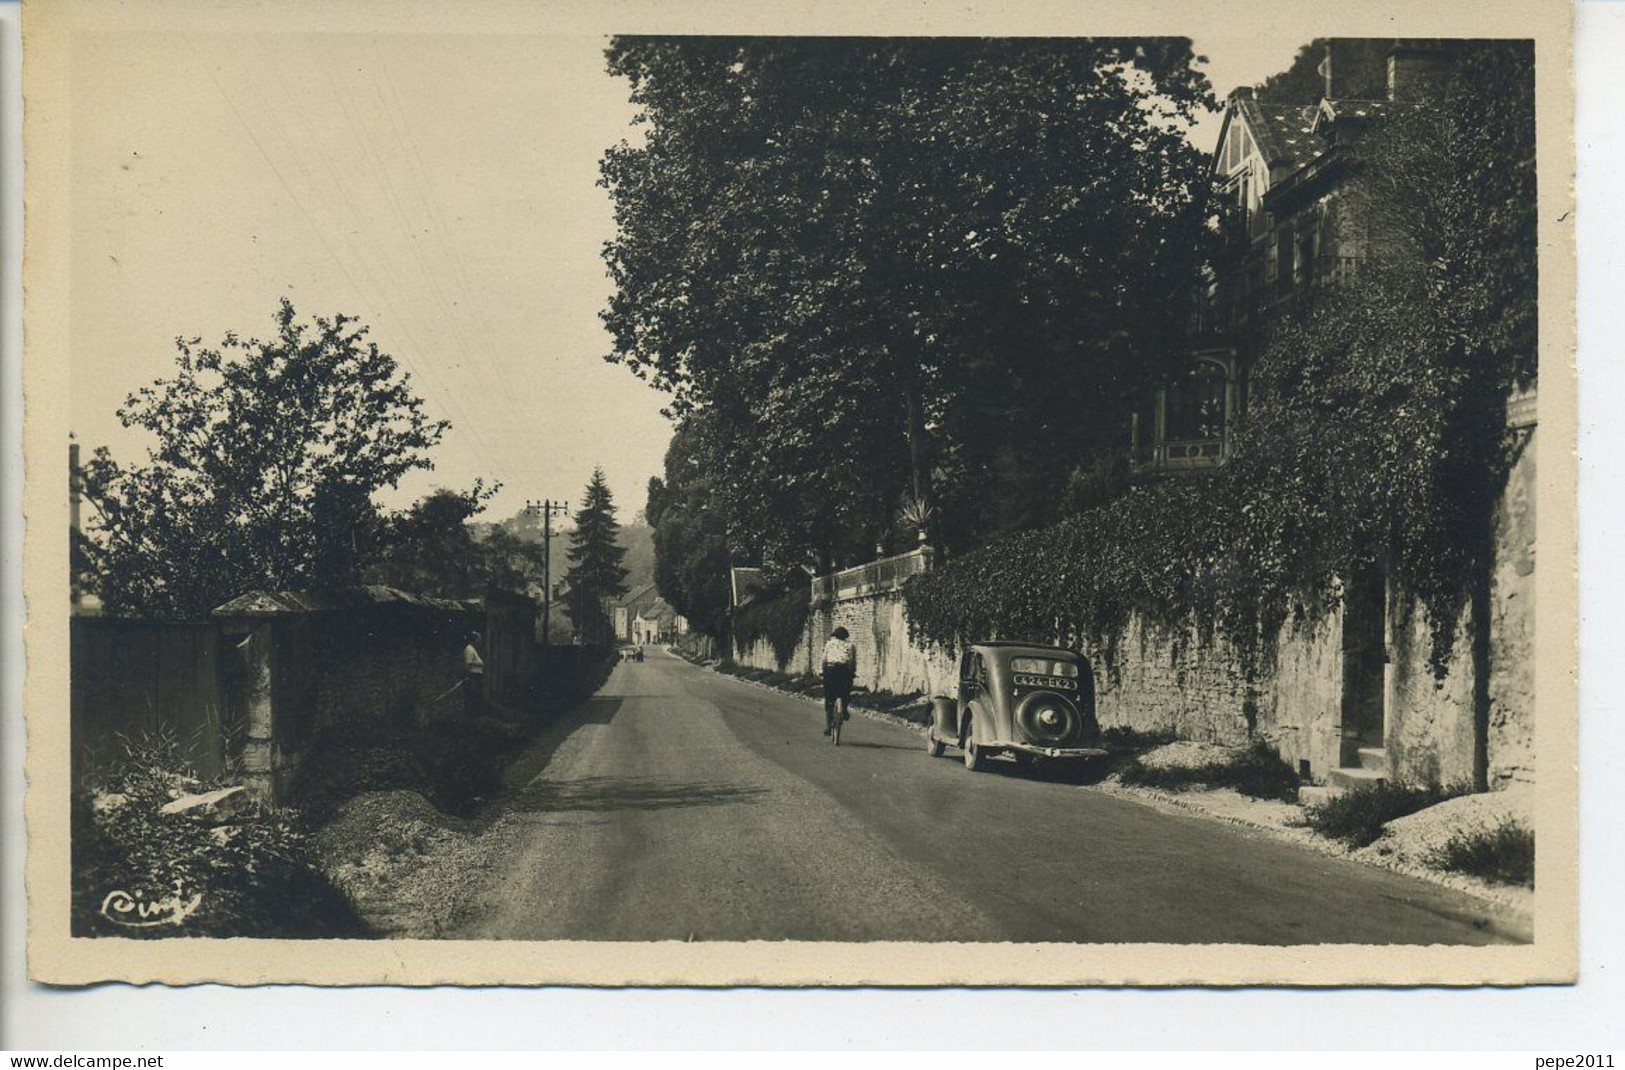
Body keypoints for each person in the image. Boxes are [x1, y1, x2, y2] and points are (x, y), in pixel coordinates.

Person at [821, 626, 857, 736]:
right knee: (846, 691)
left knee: (829, 697)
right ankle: (844, 709)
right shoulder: (850, 646)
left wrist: (823, 671)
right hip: (844, 671)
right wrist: (852, 672)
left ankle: (828, 726)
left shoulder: (829, 644)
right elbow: (852, 661)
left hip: (831, 671)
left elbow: (824, 660)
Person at [462, 630, 485, 719]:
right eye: (479, 639)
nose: (480, 641)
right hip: (473, 676)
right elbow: (468, 664)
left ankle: (475, 715)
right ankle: (471, 716)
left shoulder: (473, 649)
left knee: (476, 695)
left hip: (476, 676)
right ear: (474, 639)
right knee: (472, 695)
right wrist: (468, 677)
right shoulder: (469, 649)